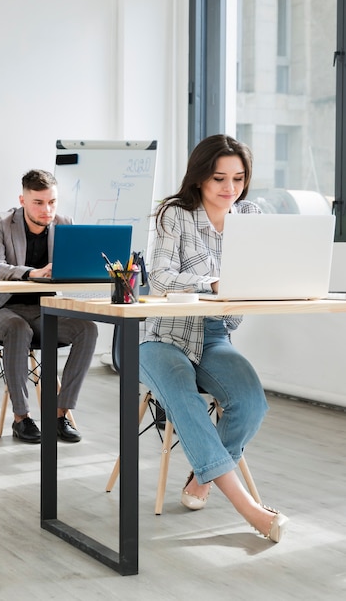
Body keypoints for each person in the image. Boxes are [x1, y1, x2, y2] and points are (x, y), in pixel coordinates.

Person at [139, 134, 288, 542]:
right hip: (163, 335)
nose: (230, 188)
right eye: (219, 177)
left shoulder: (251, 215)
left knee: (251, 403)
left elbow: (259, 275)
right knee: (183, 396)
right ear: (200, 176)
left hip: (214, 333)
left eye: (238, 178)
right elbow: (161, 277)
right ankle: (250, 509)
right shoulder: (175, 213)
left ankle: (202, 480)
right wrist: (215, 282)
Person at [0, 169, 98, 444]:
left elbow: (73, 269)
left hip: (42, 311)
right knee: (17, 328)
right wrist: (33, 273)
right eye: (39, 202)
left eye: (52, 202)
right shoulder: (0, 221)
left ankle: (59, 415)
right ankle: (21, 418)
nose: (47, 210)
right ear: (22, 200)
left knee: (87, 329)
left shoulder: (65, 223)